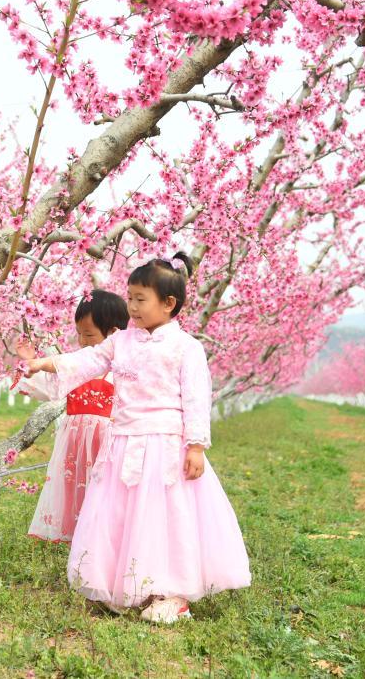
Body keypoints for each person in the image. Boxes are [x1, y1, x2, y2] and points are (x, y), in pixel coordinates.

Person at [24, 254, 250, 623]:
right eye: (129, 297)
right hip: (123, 443)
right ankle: (122, 587)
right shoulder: (121, 342)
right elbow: (86, 361)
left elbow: (196, 399)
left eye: (140, 299)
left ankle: (172, 594)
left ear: (168, 303)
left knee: (165, 516)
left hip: (165, 446)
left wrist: (196, 446)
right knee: (119, 513)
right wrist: (45, 364)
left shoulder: (186, 347)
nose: (131, 306)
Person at [15, 290, 129, 542]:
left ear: (113, 334)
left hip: (105, 444)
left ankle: (105, 542)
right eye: (79, 333)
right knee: (74, 490)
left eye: (89, 334)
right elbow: (48, 387)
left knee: (104, 491)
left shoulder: (122, 370)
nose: (82, 341)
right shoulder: (74, 367)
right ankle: (79, 543)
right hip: (75, 445)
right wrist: (31, 363)